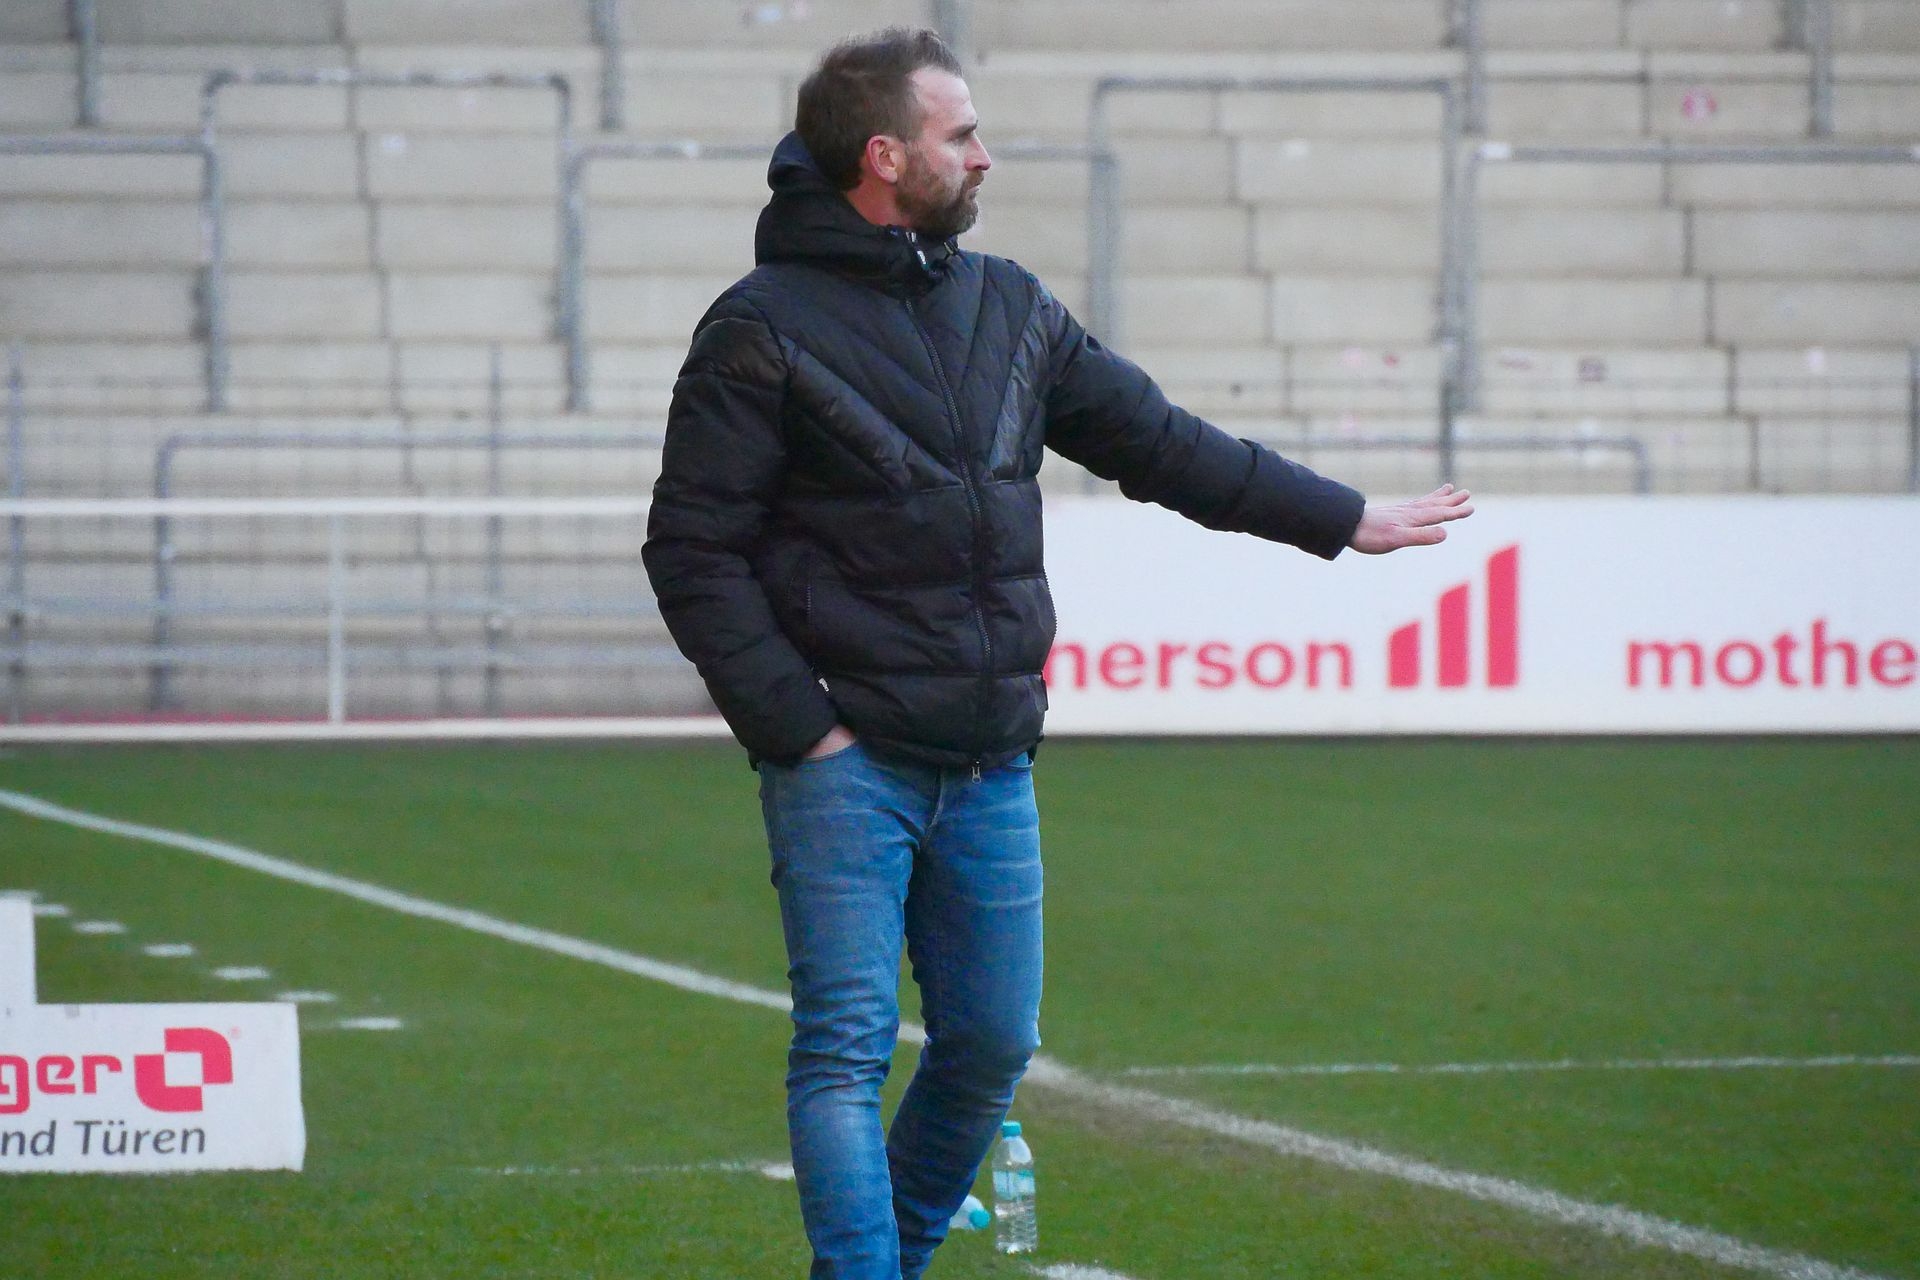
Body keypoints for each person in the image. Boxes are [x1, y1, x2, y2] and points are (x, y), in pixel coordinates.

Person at [641, 27, 1473, 1280]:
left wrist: (1340, 516)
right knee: (845, 1050)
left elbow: (1163, 442)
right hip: (845, 762)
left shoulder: (1011, 303)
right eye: (962, 134)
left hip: (991, 758)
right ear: (884, 157)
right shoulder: (757, 327)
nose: (986, 156)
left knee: (987, 1047)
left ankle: (885, 1261)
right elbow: (692, 550)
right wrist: (802, 729)